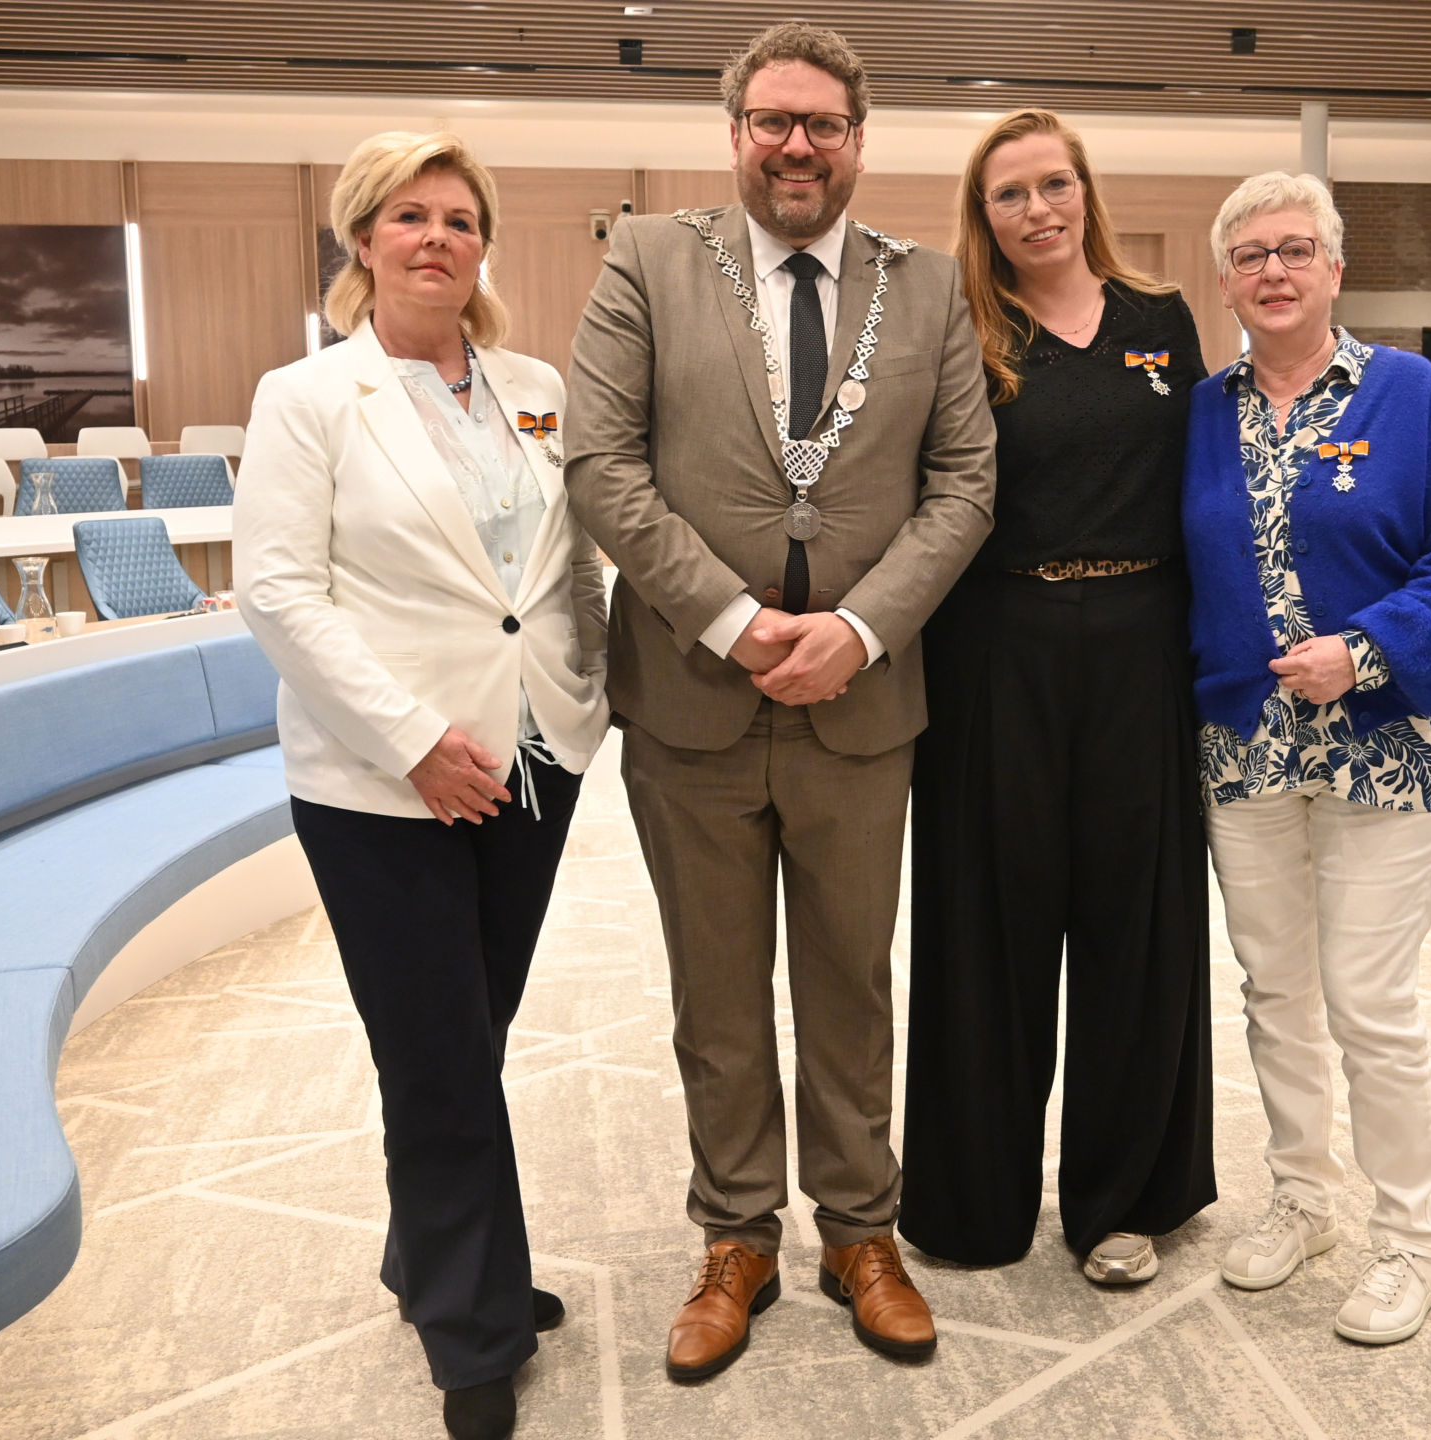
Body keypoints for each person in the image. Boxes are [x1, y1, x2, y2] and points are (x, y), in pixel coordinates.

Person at [564, 20, 995, 1382]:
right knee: (717, 991)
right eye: (773, 122)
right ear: (735, 134)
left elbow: (966, 483)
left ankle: (862, 1232)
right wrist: (745, 624)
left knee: (853, 982)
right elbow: (600, 461)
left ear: (858, 142)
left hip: (864, 705)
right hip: (693, 695)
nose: (797, 145)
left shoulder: (923, 291)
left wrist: (859, 631)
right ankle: (735, 1235)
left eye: (823, 124)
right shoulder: (646, 261)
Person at [235, 130, 611, 1440]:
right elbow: (278, 592)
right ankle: (472, 1325)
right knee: (439, 1055)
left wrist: (588, 701)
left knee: (468, 1036)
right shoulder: (308, 396)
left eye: (460, 217)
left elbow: (563, 570)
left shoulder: (534, 385)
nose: (439, 237)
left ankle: (436, 1253)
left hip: (534, 762)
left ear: (484, 244)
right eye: (411, 217)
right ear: (363, 241)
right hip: (380, 783)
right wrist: (410, 738)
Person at [898, 108, 1215, 1289]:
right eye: (1008, 194)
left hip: (1141, 646)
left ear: (1086, 190)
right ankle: (973, 1202)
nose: (1036, 209)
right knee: (989, 922)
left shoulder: (1162, 319)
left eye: (1052, 184)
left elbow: (1208, 489)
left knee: (1135, 924)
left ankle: (1121, 1200)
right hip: (995, 648)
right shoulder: (955, 329)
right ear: (981, 217)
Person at [1181, 172, 1431, 1345]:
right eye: (1251, 253)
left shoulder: (1413, 397)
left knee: (1369, 1001)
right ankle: (1303, 1198)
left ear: (1334, 268)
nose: (1273, 270)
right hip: (1244, 753)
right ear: (1225, 278)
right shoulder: (1203, 415)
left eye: (1295, 250)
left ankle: (1410, 1239)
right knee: (1275, 995)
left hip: (1385, 751)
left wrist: (1362, 653)